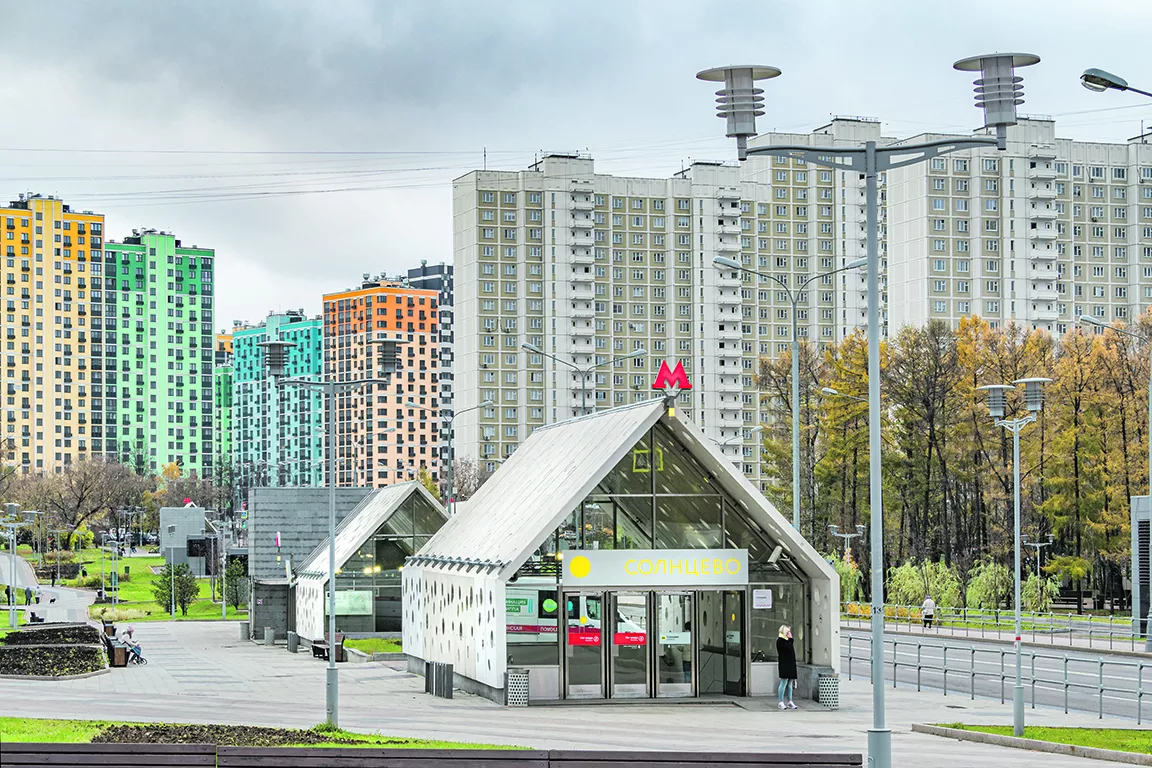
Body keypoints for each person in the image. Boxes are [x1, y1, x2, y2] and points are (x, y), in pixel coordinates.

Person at [776, 625, 798, 710]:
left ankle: (790, 701)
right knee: (783, 682)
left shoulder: (788, 641)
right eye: (788, 632)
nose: (789, 634)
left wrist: (790, 639)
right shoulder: (780, 641)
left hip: (791, 663)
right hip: (784, 663)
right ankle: (780, 701)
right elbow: (788, 648)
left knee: (790, 684)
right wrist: (791, 639)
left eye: (790, 632)